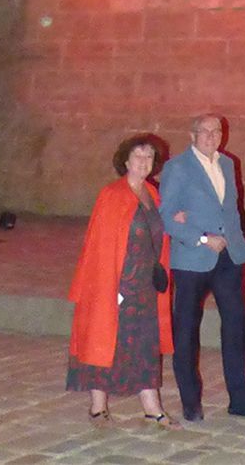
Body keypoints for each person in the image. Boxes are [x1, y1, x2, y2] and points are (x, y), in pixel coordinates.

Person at [158, 114, 245, 421]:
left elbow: (229, 208)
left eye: (216, 131)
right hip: (193, 258)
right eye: (204, 131)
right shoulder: (177, 167)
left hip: (228, 257)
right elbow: (166, 216)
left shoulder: (228, 164)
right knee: (186, 331)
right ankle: (191, 402)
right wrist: (202, 237)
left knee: (236, 326)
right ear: (192, 134)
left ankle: (240, 398)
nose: (211, 136)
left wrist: (236, 239)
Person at [66, 134, 177, 427]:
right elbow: (100, 247)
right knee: (106, 341)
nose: (143, 161)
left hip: (145, 286)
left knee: (145, 346)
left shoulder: (152, 193)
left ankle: (152, 408)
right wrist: (108, 287)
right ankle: (97, 407)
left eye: (149, 156)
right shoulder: (112, 194)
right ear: (125, 161)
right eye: (138, 156)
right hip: (117, 282)